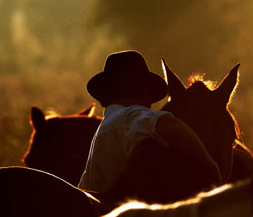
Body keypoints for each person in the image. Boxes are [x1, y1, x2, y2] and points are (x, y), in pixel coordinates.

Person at [78, 50, 221, 192]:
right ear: (146, 93)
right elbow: (169, 125)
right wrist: (210, 166)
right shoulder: (128, 117)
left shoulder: (102, 133)